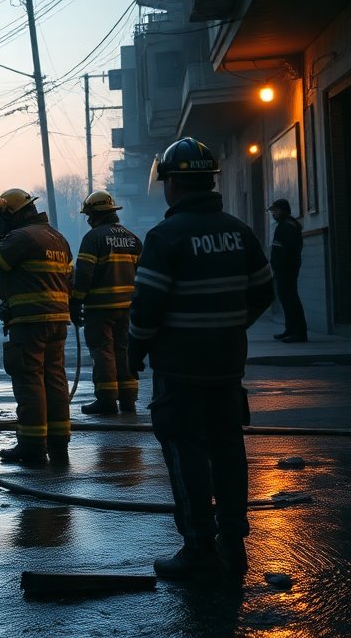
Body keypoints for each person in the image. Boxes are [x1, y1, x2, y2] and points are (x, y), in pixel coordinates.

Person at [128, 137, 274, 580]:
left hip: (179, 368)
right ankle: (234, 541)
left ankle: (198, 550)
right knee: (228, 449)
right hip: (227, 364)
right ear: (209, 179)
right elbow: (264, 291)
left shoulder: (166, 236)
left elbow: (147, 308)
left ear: (173, 184)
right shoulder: (239, 231)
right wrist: (228, 326)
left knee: (185, 450)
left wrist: (135, 348)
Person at [0, 189, 73, 466]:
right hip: (57, 318)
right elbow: (42, 273)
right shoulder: (56, 237)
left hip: (30, 321)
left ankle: (32, 444)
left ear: (14, 214)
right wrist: (2, 291)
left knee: (29, 378)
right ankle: (58, 439)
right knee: (54, 378)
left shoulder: (22, 236)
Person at [70, 191, 142, 416]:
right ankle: (129, 401)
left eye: (89, 215)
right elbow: (142, 274)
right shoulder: (132, 238)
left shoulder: (93, 238)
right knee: (124, 350)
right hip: (128, 307)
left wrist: (75, 301)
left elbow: (84, 274)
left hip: (100, 308)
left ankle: (107, 400)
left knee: (102, 352)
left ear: (95, 214)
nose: (88, 220)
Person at [268, 198, 307, 343]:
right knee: (286, 299)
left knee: (291, 300)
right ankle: (290, 329)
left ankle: (299, 332)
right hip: (284, 268)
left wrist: (279, 264)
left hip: (287, 268)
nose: (273, 214)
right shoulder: (286, 224)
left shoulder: (287, 226)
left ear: (283, 210)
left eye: (275, 211)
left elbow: (287, 250)